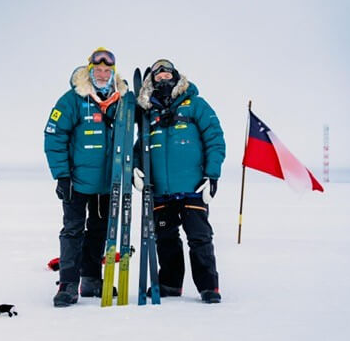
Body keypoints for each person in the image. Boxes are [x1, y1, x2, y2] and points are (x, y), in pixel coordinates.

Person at [133, 59, 225, 303]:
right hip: (160, 189)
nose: (163, 77)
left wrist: (212, 175)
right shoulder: (147, 113)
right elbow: (138, 146)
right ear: (151, 82)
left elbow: (215, 139)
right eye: (158, 75)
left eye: (167, 73)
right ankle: (170, 285)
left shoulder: (196, 105)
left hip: (192, 187)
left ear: (176, 77)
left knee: (199, 237)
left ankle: (209, 287)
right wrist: (135, 168)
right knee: (165, 238)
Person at [44, 48, 128, 307]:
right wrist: (62, 176)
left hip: (107, 183)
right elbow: (55, 137)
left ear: (112, 74)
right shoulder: (71, 100)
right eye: (98, 70)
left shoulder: (121, 101)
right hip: (77, 181)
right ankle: (68, 285)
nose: (102, 75)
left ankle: (91, 280)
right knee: (73, 231)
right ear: (89, 72)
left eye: (107, 71)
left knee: (99, 231)